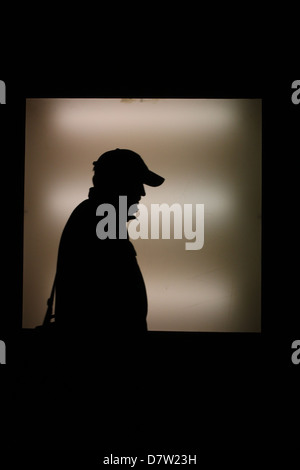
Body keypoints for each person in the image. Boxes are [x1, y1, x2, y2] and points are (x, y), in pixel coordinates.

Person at [54, 148, 164, 343]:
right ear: (118, 183)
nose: (142, 192)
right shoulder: (100, 221)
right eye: (136, 183)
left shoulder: (96, 217)